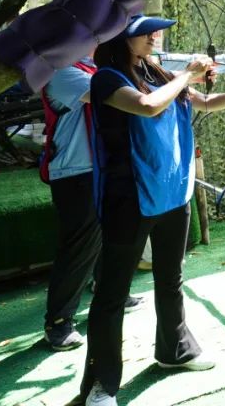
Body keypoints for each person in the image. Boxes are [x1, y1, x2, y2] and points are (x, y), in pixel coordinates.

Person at [80, 14, 225, 406]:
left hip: (172, 192)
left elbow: (204, 102)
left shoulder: (154, 70)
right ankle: (101, 383)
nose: (154, 36)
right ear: (121, 38)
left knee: (170, 278)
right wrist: (187, 74)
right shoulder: (106, 79)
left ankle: (175, 351)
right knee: (112, 293)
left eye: (154, 30)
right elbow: (147, 106)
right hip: (129, 199)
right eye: (145, 31)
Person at [40, 53, 146, 352]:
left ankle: (107, 288)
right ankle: (58, 322)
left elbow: (148, 69)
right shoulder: (62, 73)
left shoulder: (92, 68)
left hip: (102, 166)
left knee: (111, 234)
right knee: (79, 247)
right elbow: (114, 93)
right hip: (75, 172)